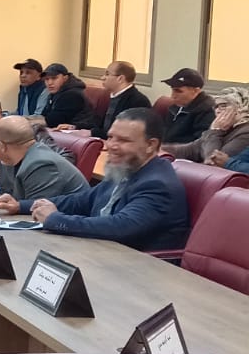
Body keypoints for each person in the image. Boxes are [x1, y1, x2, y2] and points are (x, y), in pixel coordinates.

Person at [32, 108, 190, 252]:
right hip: (101, 253)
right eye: (110, 137)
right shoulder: (125, 168)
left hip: (136, 266)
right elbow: (81, 201)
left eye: (123, 140)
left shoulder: (158, 184)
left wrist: (55, 219)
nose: (111, 146)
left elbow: (120, 227)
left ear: (150, 145)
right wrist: (25, 205)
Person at [0, 116, 89, 214]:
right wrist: (16, 204)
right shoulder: (31, 155)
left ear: (1, 146)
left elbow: (37, 214)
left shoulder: (40, 165)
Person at [169, 87, 249, 165]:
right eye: (216, 107)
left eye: (223, 105)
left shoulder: (245, 132)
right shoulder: (225, 128)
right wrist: (162, 150)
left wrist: (215, 131)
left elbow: (214, 161)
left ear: (241, 107)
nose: (217, 111)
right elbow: (190, 149)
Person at [91, 60, 150, 139]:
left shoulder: (137, 101)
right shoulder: (110, 96)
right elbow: (99, 125)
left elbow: (124, 134)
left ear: (120, 78)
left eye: (107, 74)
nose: (102, 78)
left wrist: (93, 133)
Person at [158, 67, 215, 146]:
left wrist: (165, 149)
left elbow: (198, 145)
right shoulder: (177, 105)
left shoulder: (207, 111)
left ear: (196, 91)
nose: (172, 96)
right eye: (172, 90)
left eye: (178, 91)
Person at [41, 63, 99, 131]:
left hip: (80, 132)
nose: (50, 83)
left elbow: (53, 121)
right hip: (63, 131)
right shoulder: (55, 93)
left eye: (54, 78)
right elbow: (44, 115)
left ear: (65, 78)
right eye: (47, 79)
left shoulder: (73, 94)